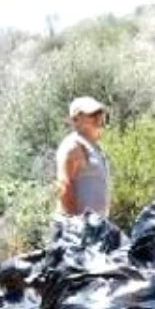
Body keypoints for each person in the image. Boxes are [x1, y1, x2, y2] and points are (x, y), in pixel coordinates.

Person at [54, 96, 111, 236]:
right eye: (92, 115)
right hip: (76, 230)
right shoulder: (73, 145)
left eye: (99, 114)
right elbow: (64, 186)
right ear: (75, 120)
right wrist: (76, 224)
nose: (98, 118)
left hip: (93, 228)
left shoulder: (93, 146)